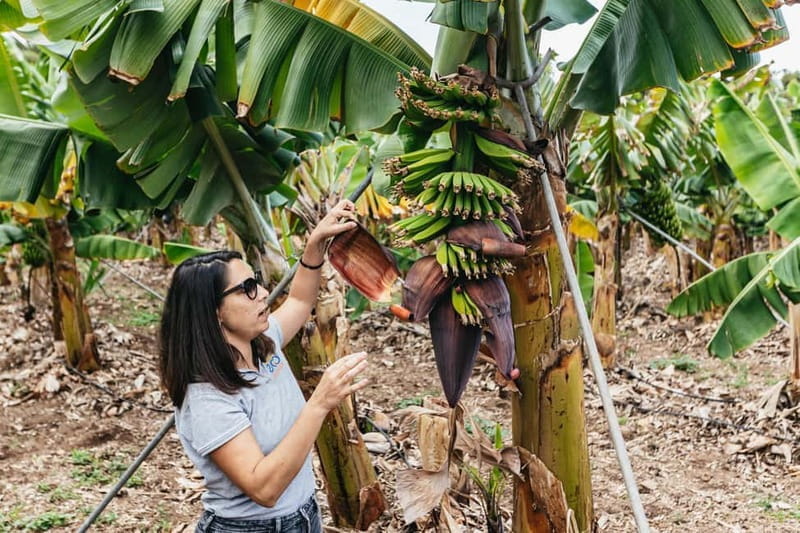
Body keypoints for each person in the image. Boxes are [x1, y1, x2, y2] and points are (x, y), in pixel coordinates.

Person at [159, 200, 369, 533]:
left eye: (255, 280)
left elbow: (300, 300)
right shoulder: (206, 397)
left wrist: (314, 246)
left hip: (303, 516)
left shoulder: (263, 341)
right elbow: (263, 488)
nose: (263, 293)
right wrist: (319, 403)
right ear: (213, 311)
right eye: (246, 289)